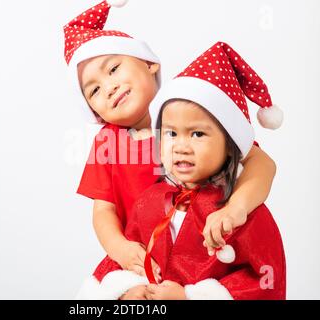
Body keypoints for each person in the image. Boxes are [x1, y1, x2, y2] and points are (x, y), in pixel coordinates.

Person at [64, 1, 280, 293]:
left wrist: (237, 209)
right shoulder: (109, 142)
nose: (109, 87)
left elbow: (261, 163)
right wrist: (121, 250)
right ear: (94, 111)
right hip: (143, 263)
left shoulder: (186, 110)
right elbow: (103, 212)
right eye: (94, 90)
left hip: (203, 258)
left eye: (114, 69)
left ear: (149, 62)